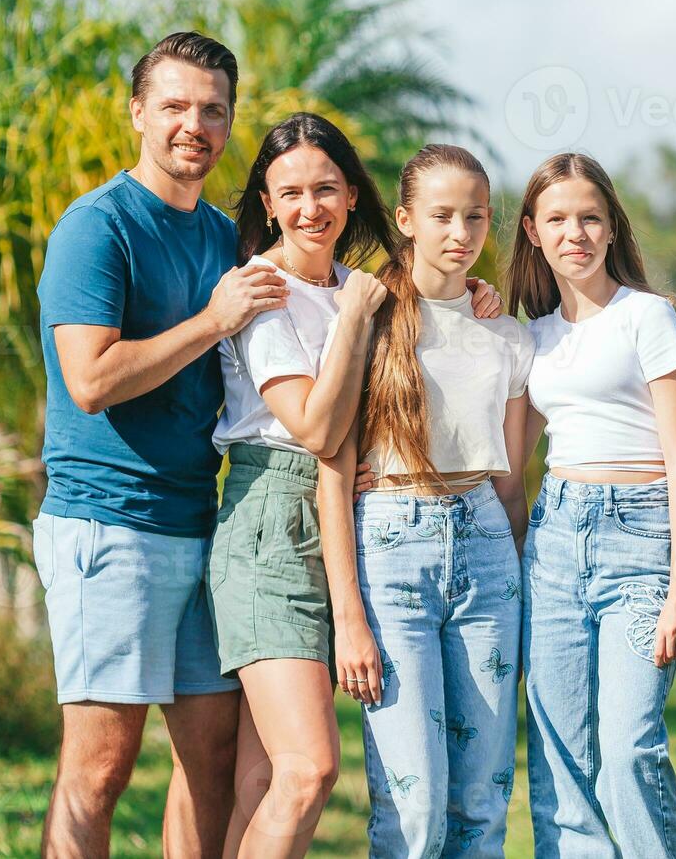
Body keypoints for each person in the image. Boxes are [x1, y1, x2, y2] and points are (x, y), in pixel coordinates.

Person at [208, 114, 502, 857]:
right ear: (268, 204)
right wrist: (350, 320)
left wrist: (478, 299)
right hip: (274, 523)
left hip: (348, 512)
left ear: (351, 194)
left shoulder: (360, 287)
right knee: (309, 770)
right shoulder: (261, 290)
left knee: (262, 781)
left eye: (327, 189)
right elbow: (311, 428)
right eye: (292, 193)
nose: (312, 208)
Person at [34, 31, 267, 857]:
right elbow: (91, 379)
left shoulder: (221, 236)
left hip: (203, 529)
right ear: (138, 112)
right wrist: (212, 321)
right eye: (173, 105)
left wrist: (466, 299)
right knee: (98, 771)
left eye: (212, 109)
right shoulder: (97, 228)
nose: (192, 125)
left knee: (213, 758)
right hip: (108, 526)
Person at [318, 143, 533, 858]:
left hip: (485, 550)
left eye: (475, 216)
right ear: (406, 219)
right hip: (390, 547)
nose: (460, 232)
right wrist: (348, 617)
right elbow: (333, 470)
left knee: (482, 804)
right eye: (441, 215)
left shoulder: (506, 334)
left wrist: (518, 573)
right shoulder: (366, 319)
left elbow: (510, 485)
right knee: (414, 808)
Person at [507, 152, 676, 858]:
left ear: (613, 227)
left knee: (626, 750)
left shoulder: (648, 319)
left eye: (591, 217)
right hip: (554, 541)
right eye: (557, 219)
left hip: (639, 541)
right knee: (559, 759)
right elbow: (511, 464)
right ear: (532, 231)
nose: (575, 233)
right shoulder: (532, 338)